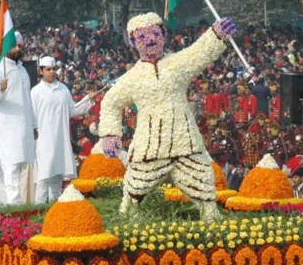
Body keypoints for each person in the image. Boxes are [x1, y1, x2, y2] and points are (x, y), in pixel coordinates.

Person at [98, 13, 235, 219]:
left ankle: (214, 227)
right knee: (133, 194)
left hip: (186, 144)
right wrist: (110, 134)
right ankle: (128, 224)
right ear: (134, 42)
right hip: (149, 147)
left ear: (163, 34)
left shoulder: (177, 63)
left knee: (205, 190)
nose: (150, 40)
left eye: (155, 33)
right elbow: (110, 102)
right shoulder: (132, 77)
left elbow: (198, 53)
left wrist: (216, 35)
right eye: (143, 37)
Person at [0, 32, 35, 206]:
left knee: (18, 166)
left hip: (22, 125)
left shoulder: (22, 70)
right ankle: (14, 207)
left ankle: (10, 205)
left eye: (19, 45)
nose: (18, 48)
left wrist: (33, 125)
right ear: (5, 47)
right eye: (14, 45)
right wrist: (0, 89)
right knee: (10, 166)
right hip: (5, 126)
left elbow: (27, 100)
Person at [30, 56, 92, 204]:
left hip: (61, 138)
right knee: (43, 178)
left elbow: (73, 110)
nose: (51, 72)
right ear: (41, 71)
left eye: (53, 69)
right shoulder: (36, 91)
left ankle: (55, 210)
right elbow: (31, 116)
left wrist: (88, 99)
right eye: (48, 69)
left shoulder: (63, 89)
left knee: (57, 178)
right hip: (43, 139)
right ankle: (37, 211)